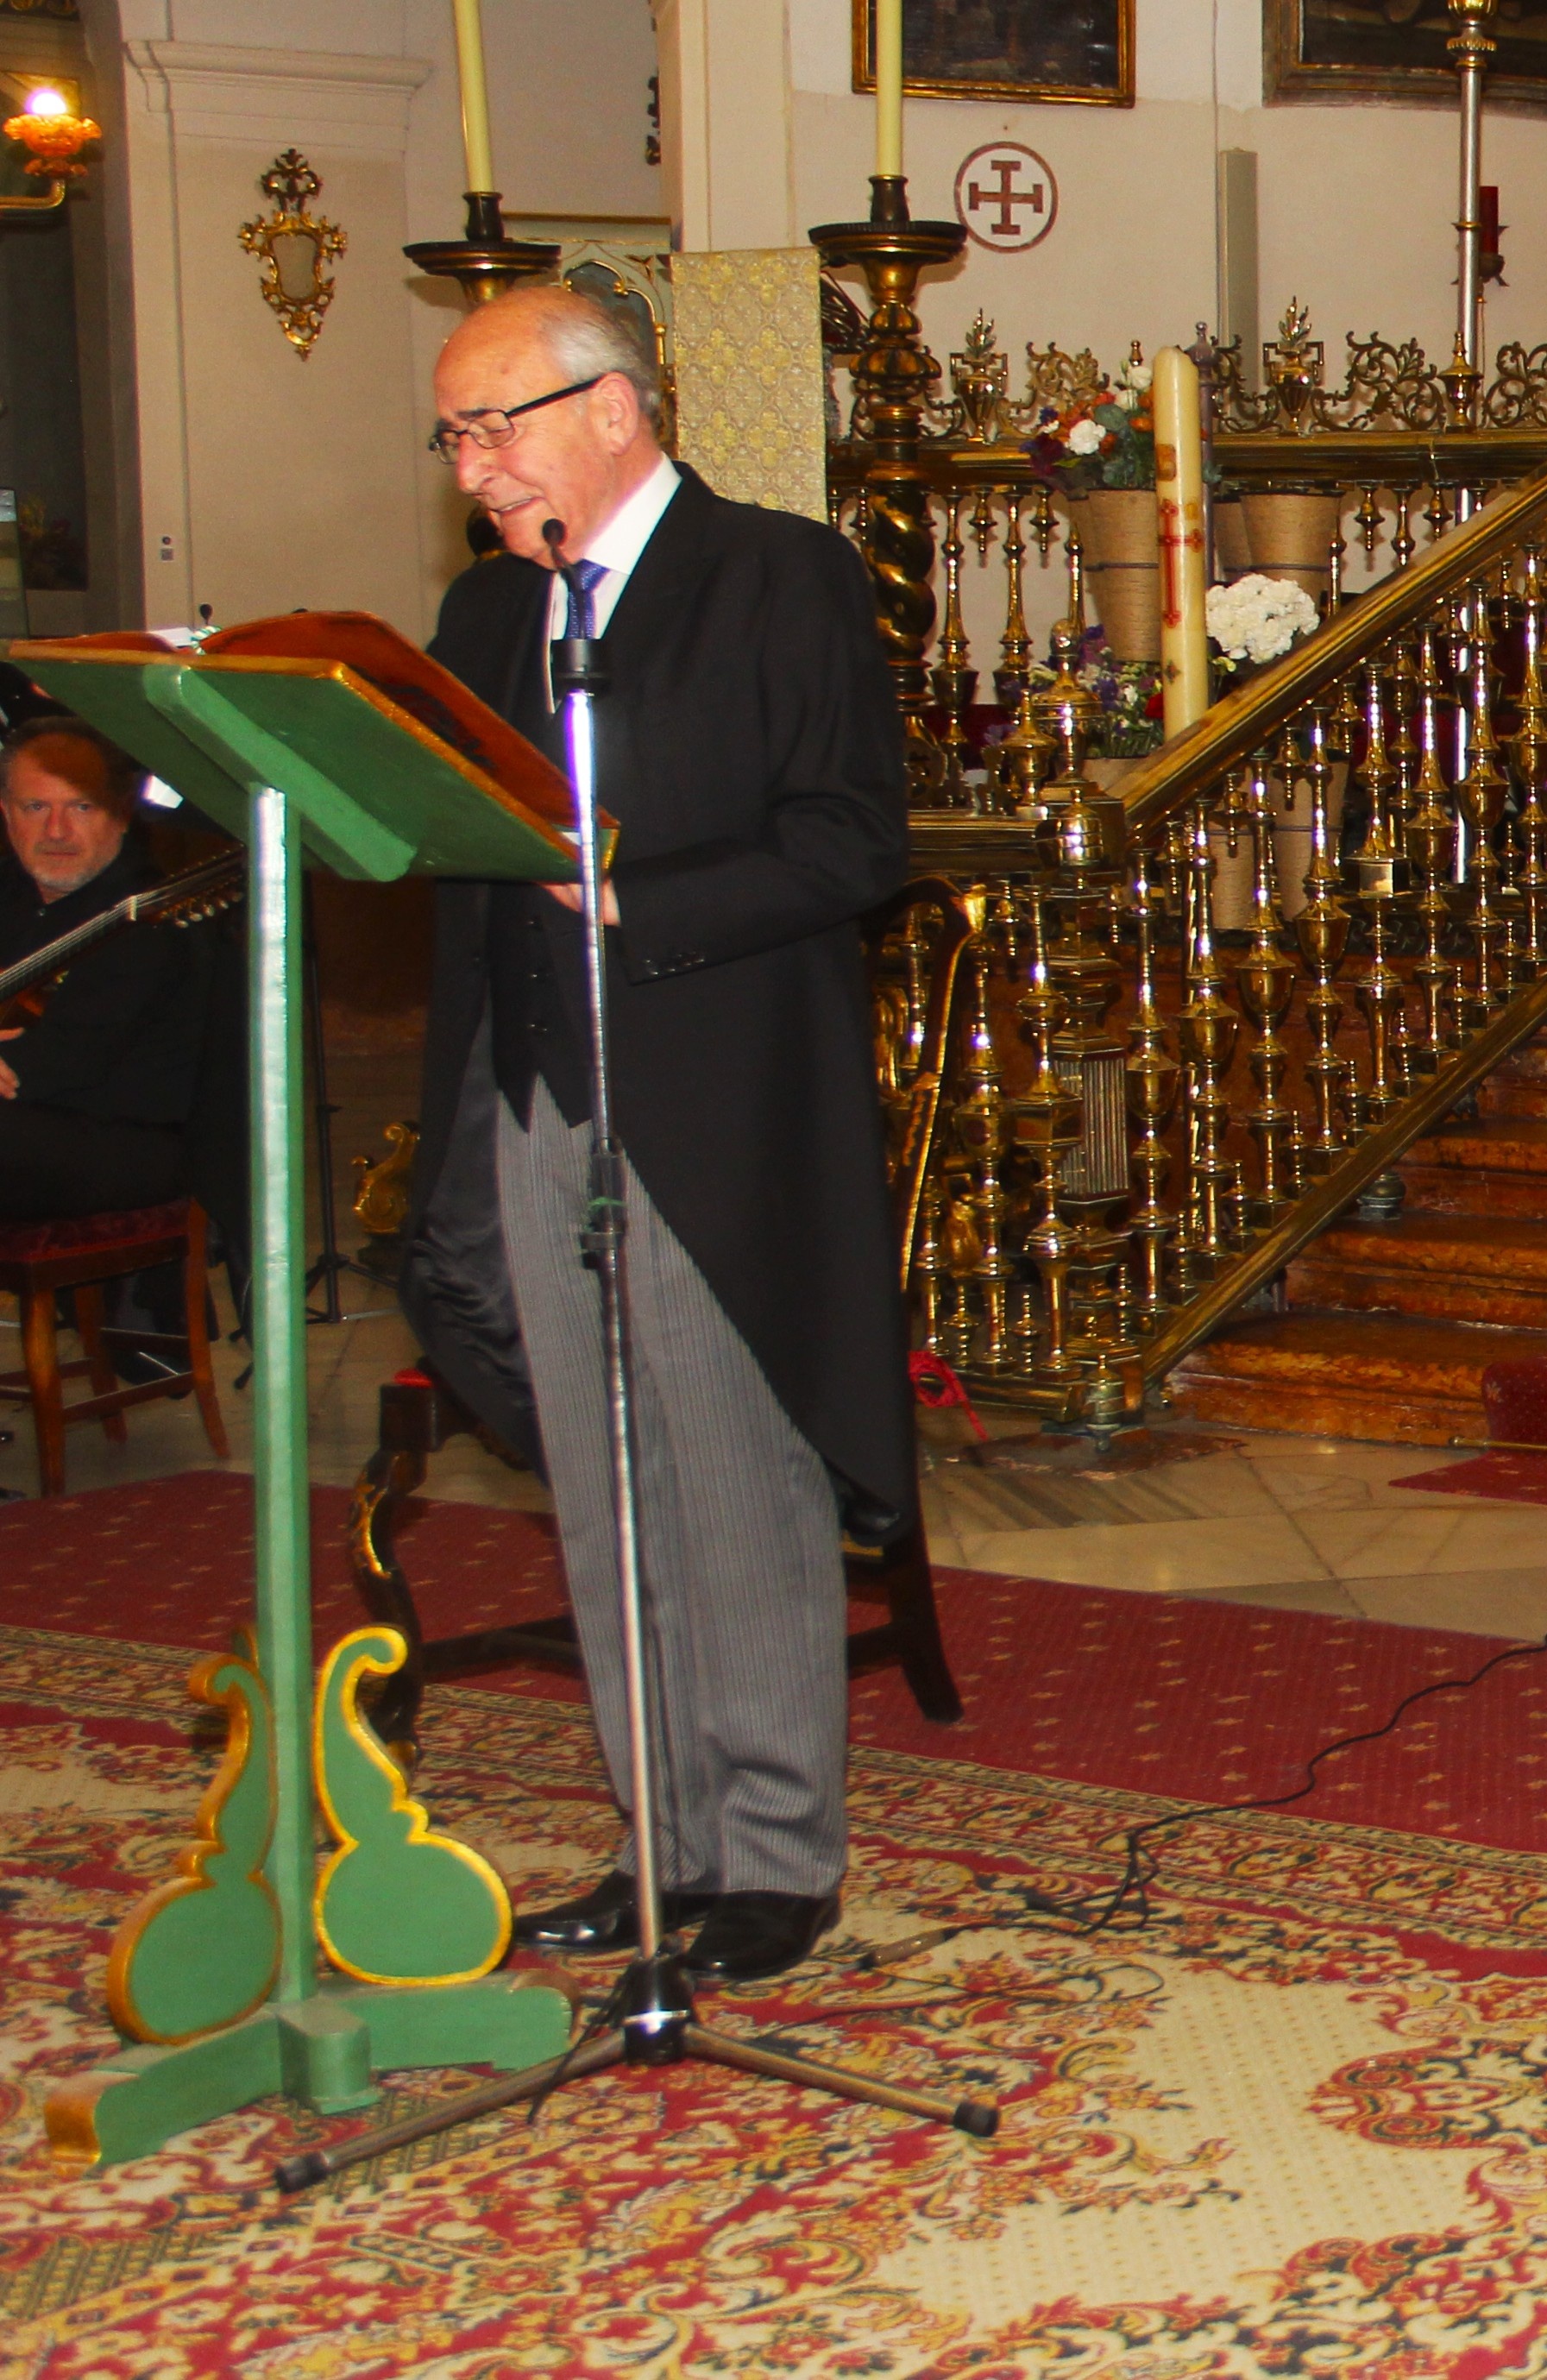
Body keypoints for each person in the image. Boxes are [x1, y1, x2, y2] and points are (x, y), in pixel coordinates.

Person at [402, 285, 910, 1986]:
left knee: (730, 1482)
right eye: (454, 436)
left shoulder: (775, 573)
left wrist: (636, 902)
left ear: (611, 408)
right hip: (536, 1088)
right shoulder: (487, 607)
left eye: (495, 426)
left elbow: (848, 841)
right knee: (606, 1489)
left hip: (711, 1101)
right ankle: (664, 1840)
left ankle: (770, 1854)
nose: (472, 466)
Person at [0, 717, 221, 1225]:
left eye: (81, 806)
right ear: (7, 814)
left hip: (123, 1143)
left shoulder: (149, 920)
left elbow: (49, 1064)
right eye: (36, 807)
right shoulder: (9, 892)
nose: (57, 831)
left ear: (121, 814)